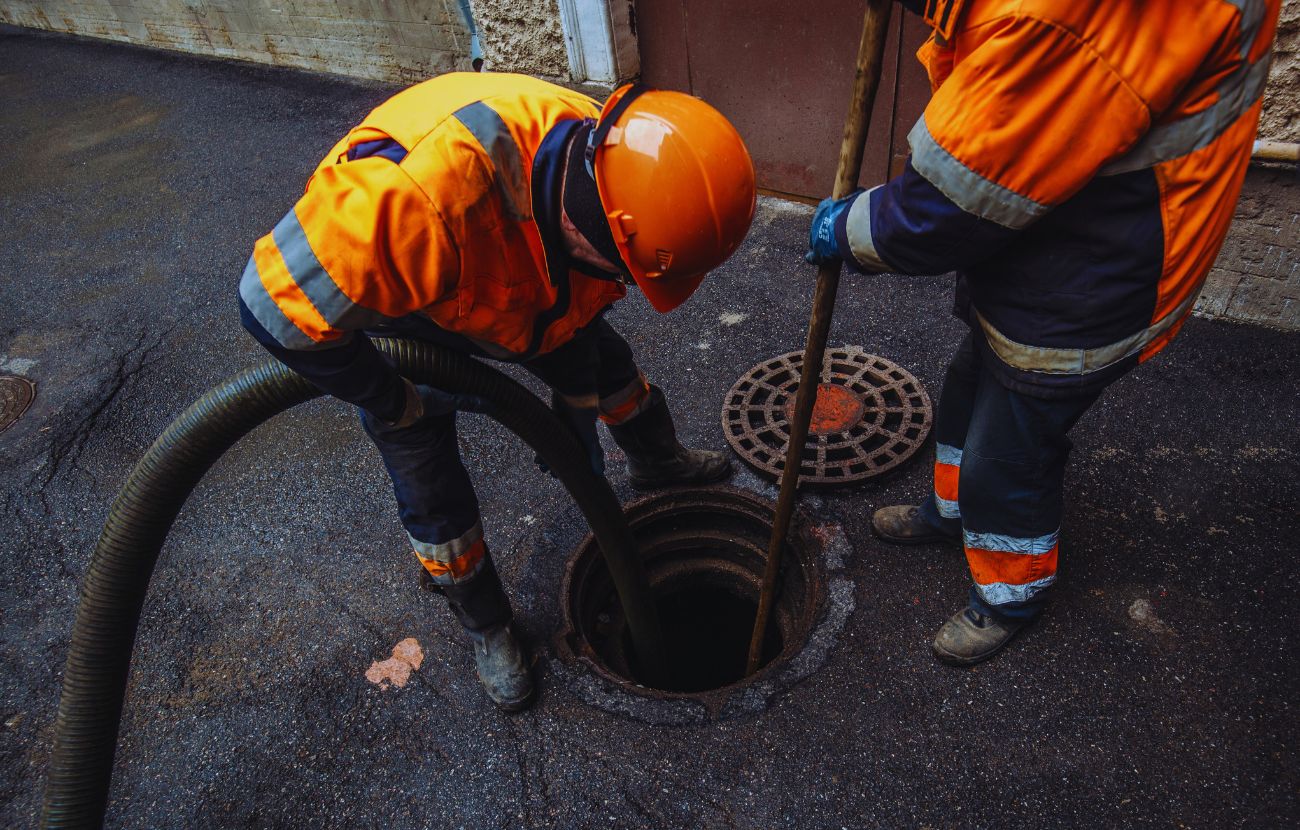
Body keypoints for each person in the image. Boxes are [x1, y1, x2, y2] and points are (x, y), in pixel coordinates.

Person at [239, 73, 756, 710]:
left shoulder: (621, 162)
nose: (629, 283)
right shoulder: (409, 203)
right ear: (596, 227)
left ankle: (657, 461)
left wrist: (576, 420)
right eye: (628, 268)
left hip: (524, 278)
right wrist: (389, 395)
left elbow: (583, 317)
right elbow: (268, 306)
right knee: (427, 475)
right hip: (420, 307)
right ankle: (487, 625)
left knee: (606, 366)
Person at [807, 0, 1280, 666]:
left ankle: (1009, 594)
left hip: (1100, 266)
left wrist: (852, 230)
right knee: (969, 382)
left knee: (1010, 453)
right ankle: (952, 514)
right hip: (1056, 224)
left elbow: (944, 207)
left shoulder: (1071, 17)